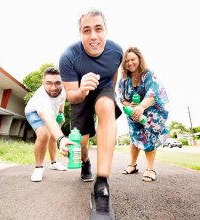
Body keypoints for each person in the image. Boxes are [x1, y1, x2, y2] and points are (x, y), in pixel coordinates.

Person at [59, 8, 123, 220]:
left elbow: (114, 71)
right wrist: (82, 90)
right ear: (80, 35)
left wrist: (111, 93)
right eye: (86, 31)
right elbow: (70, 96)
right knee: (82, 143)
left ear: (106, 31)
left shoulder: (116, 51)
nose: (93, 35)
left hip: (103, 90)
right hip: (80, 93)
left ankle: (101, 186)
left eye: (98, 29)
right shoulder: (69, 57)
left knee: (106, 105)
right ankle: (85, 163)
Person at [118, 47, 169, 182]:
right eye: (127, 61)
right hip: (134, 113)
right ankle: (133, 165)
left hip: (152, 112)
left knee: (150, 137)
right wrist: (131, 107)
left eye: (133, 59)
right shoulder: (123, 79)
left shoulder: (149, 74)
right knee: (134, 136)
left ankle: (150, 169)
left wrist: (141, 107)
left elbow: (152, 95)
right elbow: (121, 98)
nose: (130, 63)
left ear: (139, 59)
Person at [25, 67, 75, 182]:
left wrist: (61, 113)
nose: (54, 88)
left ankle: (53, 163)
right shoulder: (41, 97)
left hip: (54, 113)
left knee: (53, 137)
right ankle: (38, 168)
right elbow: (47, 117)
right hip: (34, 112)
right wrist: (62, 138)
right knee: (44, 135)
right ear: (43, 83)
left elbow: (62, 101)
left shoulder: (63, 90)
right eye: (49, 83)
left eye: (57, 83)